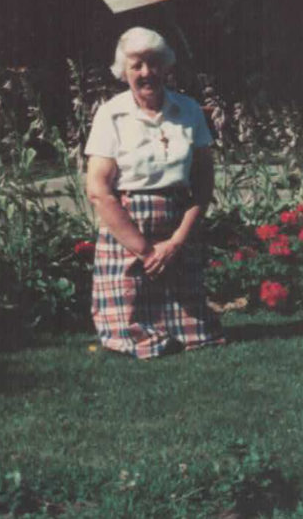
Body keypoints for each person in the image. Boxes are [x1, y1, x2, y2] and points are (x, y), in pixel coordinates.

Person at [84, 27, 225, 358]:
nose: (147, 72)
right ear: (124, 72)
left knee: (198, 333)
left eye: (154, 63)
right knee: (131, 332)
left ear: (167, 66)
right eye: (137, 65)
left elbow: (203, 183)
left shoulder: (189, 111)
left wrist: (176, 242)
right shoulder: (110, 115)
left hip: (177, 230)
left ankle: (182, 324)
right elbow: (99, 192)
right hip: (128, 234)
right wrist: (146, 252)